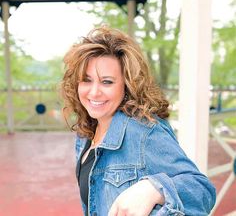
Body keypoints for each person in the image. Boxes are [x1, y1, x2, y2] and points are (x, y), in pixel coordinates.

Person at [60, 26, 216, 216]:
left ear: (126, 85)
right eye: (86, 80)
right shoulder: (86, 133)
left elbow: (201, 190)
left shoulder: (143, 131)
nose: (94, 92)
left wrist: (153, 189)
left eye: (107, 82)